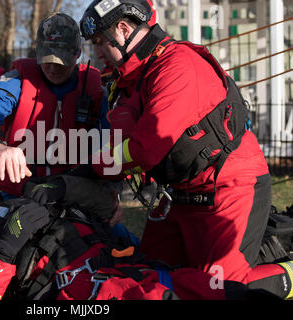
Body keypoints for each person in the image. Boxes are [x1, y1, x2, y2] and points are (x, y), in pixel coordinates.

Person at [76, 0, 293, 299]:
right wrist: (103, 181)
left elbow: (145, 148)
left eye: (100, 42)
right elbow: (120, 145)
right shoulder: (131, 79)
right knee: (149, 274)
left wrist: (91, 168)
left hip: (228, 188)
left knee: (218, 289)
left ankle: (289, 274)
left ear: (124, 29)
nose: (96, 52)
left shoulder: (177, 65)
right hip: (179, 194)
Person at [0, 174, 270, 301]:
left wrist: (64, 187)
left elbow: (104, 206)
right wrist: (5, 252)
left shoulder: (35, 202)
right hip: (77, 291)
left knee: (208, 287)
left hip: (124, 264)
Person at [0, 12, 110, 198]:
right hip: (18, 192)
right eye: (47, 59)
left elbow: (111, 147)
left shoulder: (96, 92)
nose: (53, 68)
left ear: (78, 54)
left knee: (113, 229)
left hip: (72, 193)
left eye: (61, 62)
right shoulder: (15, 83)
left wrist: (110, 191)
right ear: (37, 51)